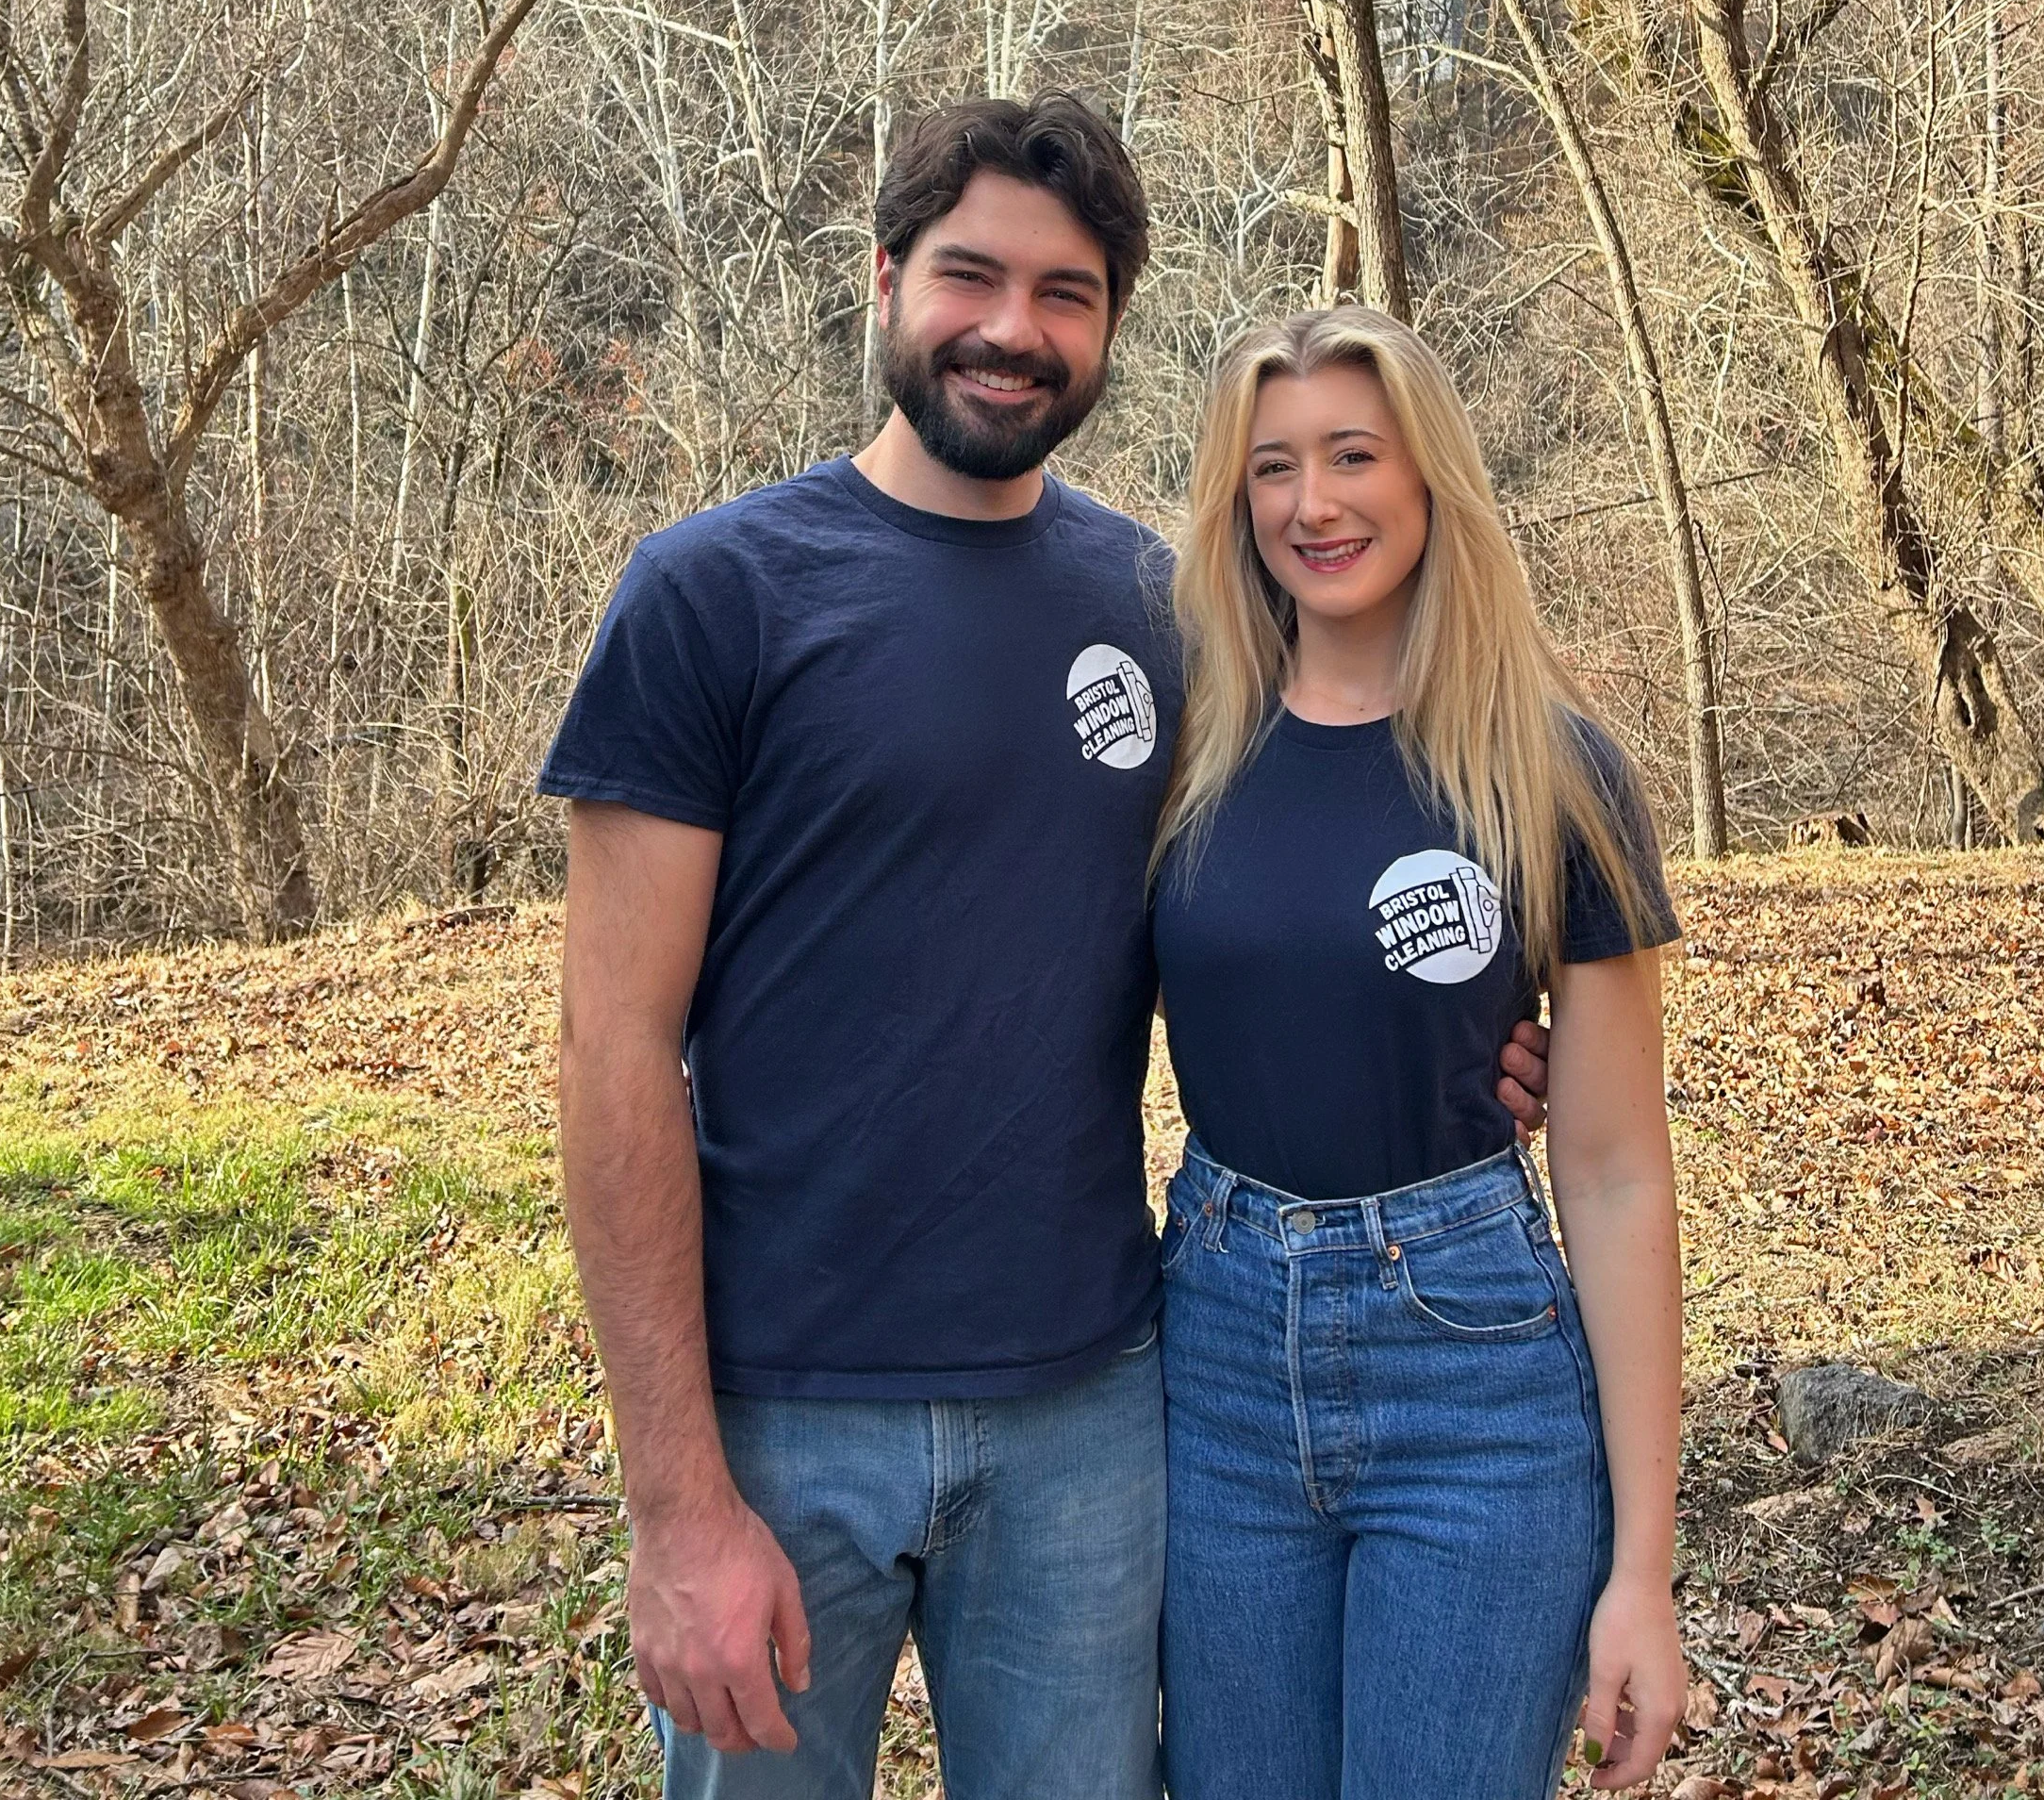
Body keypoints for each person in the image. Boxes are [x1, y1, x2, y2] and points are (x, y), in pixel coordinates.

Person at [542, 94, 1550, 1800]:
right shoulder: (716, 595)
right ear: (884, 281)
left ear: (1107, 330)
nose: (1013, 329)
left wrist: (1462, 1037)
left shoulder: (1171, 616)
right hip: (785, 1421)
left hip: (1095, 1405)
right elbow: (612, 1049)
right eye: (971, 276)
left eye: (1066, 293)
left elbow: (1300, 864)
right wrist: (676, 1504)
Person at [1151, 305, 1684, 1800]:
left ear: (1430, 475)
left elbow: (1618, 1170)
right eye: (1272, 468)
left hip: (1475, 1380)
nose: (1312, 504)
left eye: (1352, 455)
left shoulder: (1552, 768)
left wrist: (1643, 1568)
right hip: (1219, 1358)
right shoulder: (1186, 753)